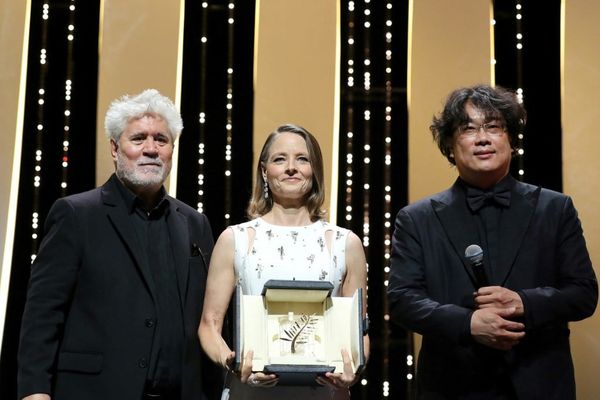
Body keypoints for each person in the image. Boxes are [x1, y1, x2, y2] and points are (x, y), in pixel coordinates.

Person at [387, 84, 598, 399]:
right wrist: (468, 323)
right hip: (452, 386)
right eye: (468, 129)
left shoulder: (555, 208)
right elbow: (403, 300)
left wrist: (523, 302)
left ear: (511, 140)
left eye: (494, 127)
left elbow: (583, 293)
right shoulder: (416, 218)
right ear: (449, 146)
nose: (482, 137)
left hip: (540, 385)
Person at [17, 89, 221, 400]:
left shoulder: (195, 223)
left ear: (172, 149)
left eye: (161, 140)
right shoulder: (76, 215)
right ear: (115, 148)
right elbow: (42, 315)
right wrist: (34, 392)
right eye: (138, 139)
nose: (150, 149)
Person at [199, 124, 369, 400]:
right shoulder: (235, 239)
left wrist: (353, 370)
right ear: (265, 171)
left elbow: (359, 331)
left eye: (302, 159)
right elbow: (209, 325)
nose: (292, 167)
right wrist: (234, 362)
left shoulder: (346, 243)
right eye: (280, 159)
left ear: (315, 170)